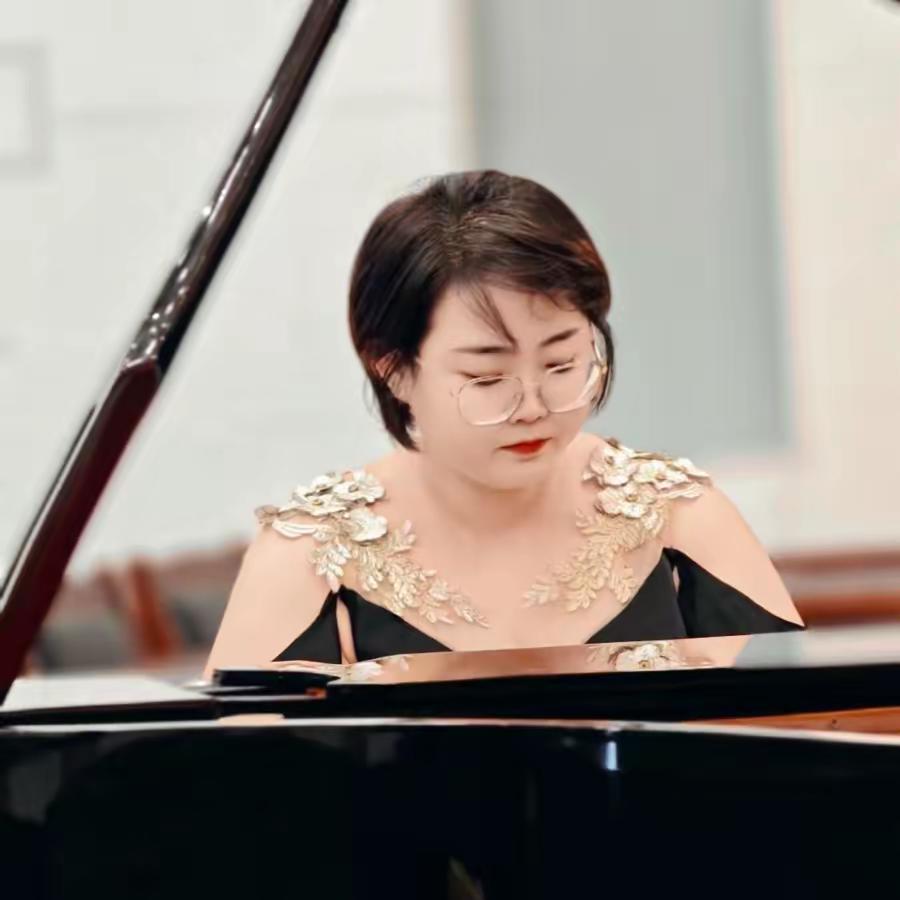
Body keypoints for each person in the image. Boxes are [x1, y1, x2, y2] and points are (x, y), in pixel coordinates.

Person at [203, 170, 804, 674]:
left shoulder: (680, 517)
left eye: (562, 363)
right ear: (394, 370)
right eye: (487, 378)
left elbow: (795, 734)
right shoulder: (310, 555)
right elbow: (240, 767)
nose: (534, 406)